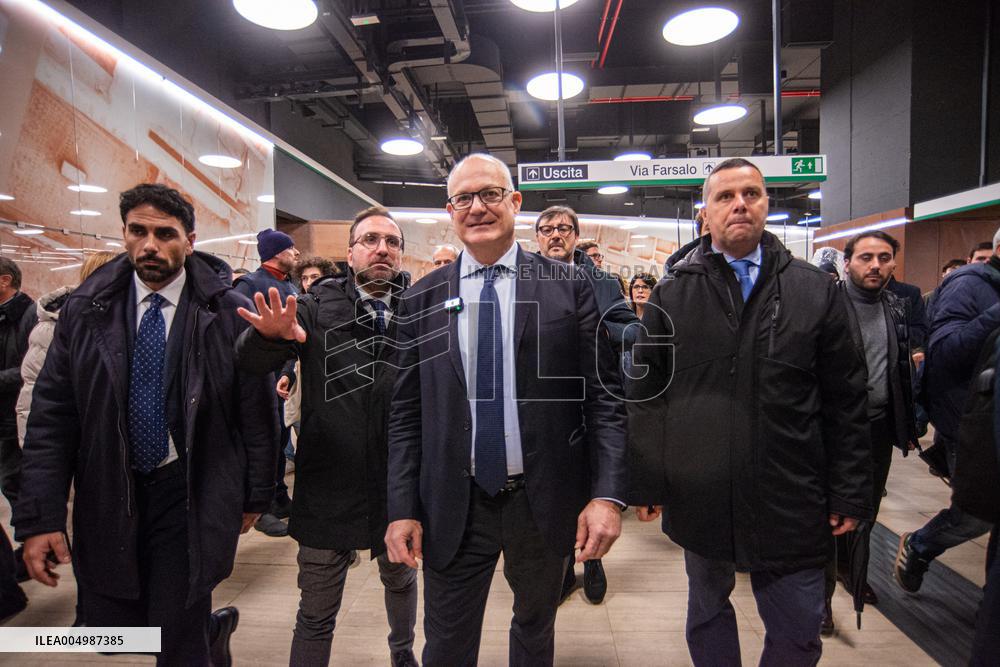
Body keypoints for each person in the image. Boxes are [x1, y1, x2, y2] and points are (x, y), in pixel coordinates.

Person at [12, 183, 278, 665]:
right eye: (138, 231)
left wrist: (257, 494)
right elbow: (52, 417)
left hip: (191, 488)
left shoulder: (224, 312)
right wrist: (41, 516)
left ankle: (198, 637)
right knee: (113, 631)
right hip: (110, 487)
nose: (150, 244)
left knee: (176, 628)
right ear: (124, 234)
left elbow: (255, 410)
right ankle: (210, 632)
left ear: (190, 240)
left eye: (165, 233)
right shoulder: (86, 311)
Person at [384, 153, 627, 666]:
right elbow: (405, 415)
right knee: (446, 644)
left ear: (515, 202)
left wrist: (607, 494)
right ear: (450, 211)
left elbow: (605, 398)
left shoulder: (571, 287)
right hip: (454, 501)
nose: (477, 207)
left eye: (490, 194)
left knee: (535, 630)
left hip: (543, 500)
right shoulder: (422, 300)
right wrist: (402, 507)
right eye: (463, 198)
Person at [629, 158, 872, 666]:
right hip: (703, 492)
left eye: (751, 193)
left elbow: (846, 399)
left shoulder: (814, 290)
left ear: (766, 205)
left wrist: (849, 488)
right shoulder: (672, 294)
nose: (739, 203)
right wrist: (647, 480)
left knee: (798, 629)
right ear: (705, 215)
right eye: (725, 196)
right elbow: (648, 393)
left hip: (792, 492)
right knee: (707, 612)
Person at [235, 206, 418, 667]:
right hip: (326, 487)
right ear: (351, 252)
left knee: (400, 583)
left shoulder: (422, 310)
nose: (382, 248)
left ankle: (403, 656)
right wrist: (268, 339)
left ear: (400, 254)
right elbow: (253, 361)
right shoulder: (316, 306)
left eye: (392, 242)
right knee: (315, 612)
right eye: (371, 240)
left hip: (396, 486)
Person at [534, 205, 640, 606]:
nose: (555, 235)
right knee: (555, 489)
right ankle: (561, 566)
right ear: (537, 237)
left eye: (564, 228)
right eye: (547, 229)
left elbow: (630, 327)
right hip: (546, 399)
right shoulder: (526, 277)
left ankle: (592, 560)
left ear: (576, 236)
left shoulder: (600, 280)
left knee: (590, 481)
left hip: (592, 395)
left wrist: (591, 327)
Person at [11, 250, 117, 620]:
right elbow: (37, 406)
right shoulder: (58, 323)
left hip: (113, 458)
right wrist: (45, 472)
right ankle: (94, 615)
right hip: (79, 461)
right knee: (90, 540)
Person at [820, 231, 917, 634]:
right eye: (865, 258)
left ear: (894, 263)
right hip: (830, 431)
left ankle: (852, 574)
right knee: (825, 517)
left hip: (876, 429)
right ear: (848, 263)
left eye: (883, 257)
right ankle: (820, 600)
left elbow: (898, 369)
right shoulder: (826, 306)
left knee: (866, 512)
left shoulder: (896, 306)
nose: (874, 265)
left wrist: (907, 423)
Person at [894, 227, 1000, 594]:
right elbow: (946, 352)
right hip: (972, 423)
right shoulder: (967, 285)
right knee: (976, 513)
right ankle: (921, 544)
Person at [234, 229, 300, 537]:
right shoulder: (250, 285)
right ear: (275, 252)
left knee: (280, 436)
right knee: (264, 439)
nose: (296, 253)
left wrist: (289, 370)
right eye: (291, 248)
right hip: (260, 378)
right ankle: (263, 508)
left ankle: (279, 496)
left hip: (284, 375)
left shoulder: (290, 284)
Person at [0, 256, 36, 621]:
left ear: (5, 280)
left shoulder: (27, 316)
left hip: (15, 418)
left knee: (17, 484)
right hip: (8, 417)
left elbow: (29, 371)